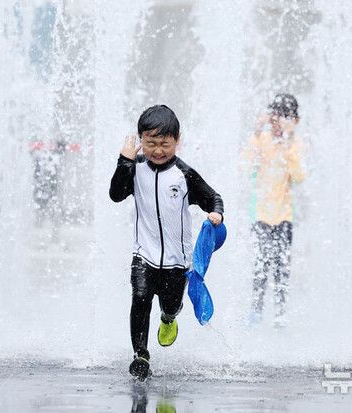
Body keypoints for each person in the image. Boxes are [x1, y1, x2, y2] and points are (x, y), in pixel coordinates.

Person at [109, 105, 224, 380]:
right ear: (140, 140)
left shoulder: (184, 174)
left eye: (165, 144)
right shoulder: (135, 168)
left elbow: (213, 197)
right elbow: (116, 194)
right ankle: (141, 355)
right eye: (150, 143)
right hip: (144, 254)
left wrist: (216, 214)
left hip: (177, 261)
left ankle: (169, 318)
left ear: (177, 141)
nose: (158, 151)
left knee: (170, 305)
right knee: (140, 298)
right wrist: (124, 160)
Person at [242, 93, 304, 327]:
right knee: (261, 264)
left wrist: (287, 145)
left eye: (285, 117)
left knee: (281, 266)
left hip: (284, 216)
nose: (278, 122)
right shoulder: (263, 140)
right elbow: (246, 165)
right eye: (275, 116)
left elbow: (299, 176)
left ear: (295, 121)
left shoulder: (296, 145)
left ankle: (280, 313)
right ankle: (256, 312)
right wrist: (257, 133)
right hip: (260, 214)